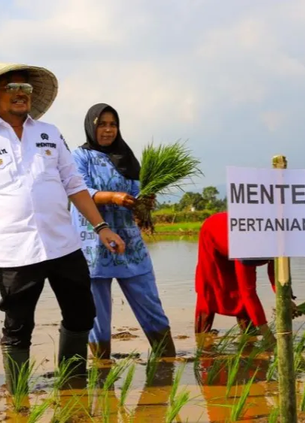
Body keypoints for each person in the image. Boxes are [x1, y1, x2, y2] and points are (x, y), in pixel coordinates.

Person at [0, 63, 126, 393]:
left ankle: (73, 384)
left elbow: (74, 183)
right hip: (15, 253)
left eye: (27, 88)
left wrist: (101, 226)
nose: (21, 94)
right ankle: (18, 396)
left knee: (81, 314)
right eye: (12, 88)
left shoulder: (49, 132)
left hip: (64, 245)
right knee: (18, 325)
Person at [69, 103, 176, 360]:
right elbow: (81, 192)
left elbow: (138, 192)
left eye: (112, 124)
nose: (108, 130)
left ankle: (167, 360)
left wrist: (144, 202)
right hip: (93, 244)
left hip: (130, 243)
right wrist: (114, 197)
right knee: (96, 313)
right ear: (91, 127)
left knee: (150, 302)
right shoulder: (79, 157)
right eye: (102, 124)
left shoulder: (127, 158)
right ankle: (102, 366)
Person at [193, 211, 305, 342]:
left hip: (241, 236)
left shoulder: (278, 240)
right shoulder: (245, 249)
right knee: (211, 287)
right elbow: (248, 293)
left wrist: (286, 299)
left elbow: (277, 273)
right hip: (213, 233)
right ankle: (201, 336)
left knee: (242, 295)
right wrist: (268, 336)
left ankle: (248, 332)